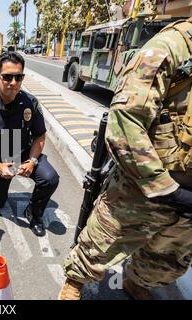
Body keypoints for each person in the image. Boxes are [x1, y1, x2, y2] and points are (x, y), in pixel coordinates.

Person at [59, 17, 192, 300]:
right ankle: (74, 284)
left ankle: (139, 283)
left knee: (168, 257)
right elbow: (126, 121)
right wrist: (164, 188)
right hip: (143, 186)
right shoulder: (172, 47)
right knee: (100, 243)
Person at [0, 51, 59, 237]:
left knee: (50, 178)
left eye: (19, 77)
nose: (13, 82)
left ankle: (34, 213)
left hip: (25, 153)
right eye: (7, 77)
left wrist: (32, 160)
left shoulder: (30, 103)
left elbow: (40, 136)